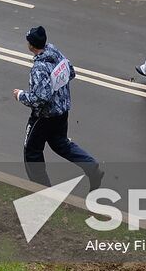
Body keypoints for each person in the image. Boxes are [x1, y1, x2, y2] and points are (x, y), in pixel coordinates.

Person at [13, 25, 102, 189]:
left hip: (43, 117)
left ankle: (43, 191)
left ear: (31, 45)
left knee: (32, 153)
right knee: (60, 144)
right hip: (62, 112)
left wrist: (20, 95)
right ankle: (90, 165)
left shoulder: (39, 68)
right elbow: (71, 72)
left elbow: (41, 98)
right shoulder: (54, 52)